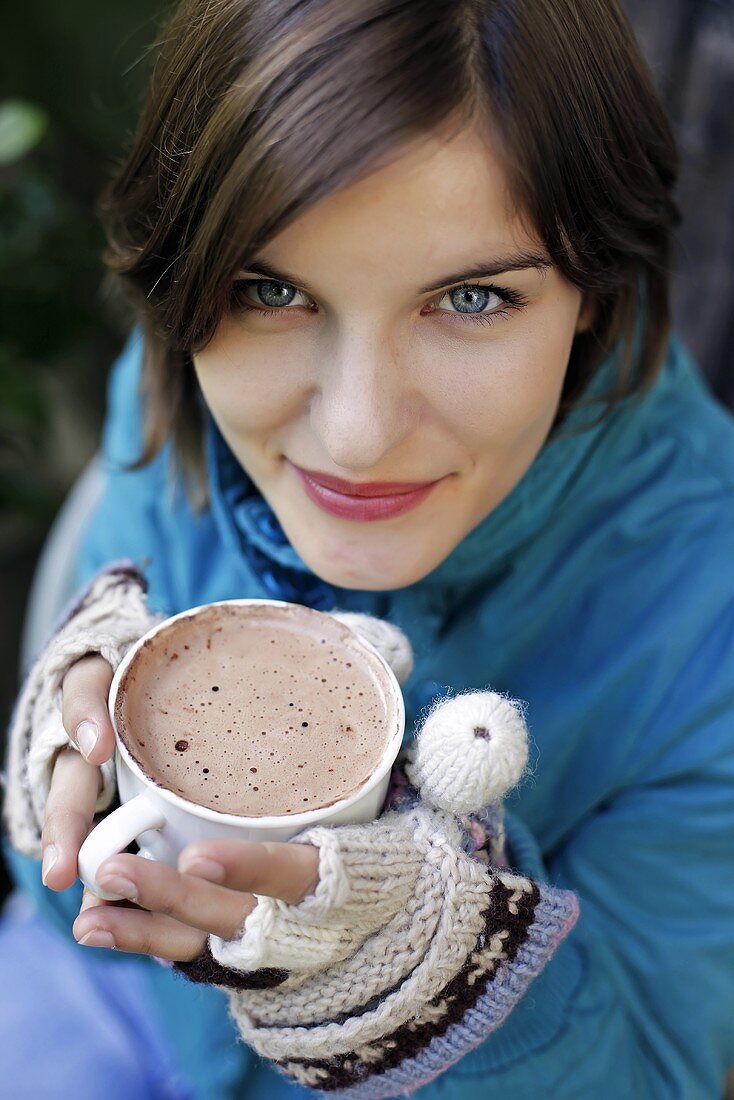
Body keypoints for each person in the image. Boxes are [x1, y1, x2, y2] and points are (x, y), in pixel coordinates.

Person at [2, 0, 734, 1096]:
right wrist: (78, 804)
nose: (356, 433)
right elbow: (60, 910)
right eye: (269, 290)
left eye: (471, 296)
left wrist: (444, 977)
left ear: (594, 287)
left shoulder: (708, 603)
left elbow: (652, 1067)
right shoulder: (171, 401)